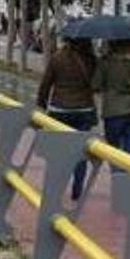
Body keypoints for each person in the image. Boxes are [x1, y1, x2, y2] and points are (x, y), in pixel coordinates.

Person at [37, 37, 97, 199]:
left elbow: (46, 83)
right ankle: (77, 189)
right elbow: (97, 84)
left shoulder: (57, 58)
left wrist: (41, 102)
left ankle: (55, 186)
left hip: (59, 110)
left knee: (58, 151)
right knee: (81, 151)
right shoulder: (91, 59)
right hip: (84, 110)